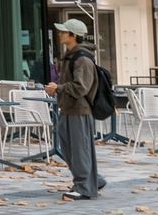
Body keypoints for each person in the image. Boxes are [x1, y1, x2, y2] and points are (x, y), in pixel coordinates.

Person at [46, 19, 106, 201]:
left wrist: (58, 88)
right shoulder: (71, 56)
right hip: (68, 108)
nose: (60, 34)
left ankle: (84, 187)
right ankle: (93, 180)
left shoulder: (82, 59)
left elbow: (81, 87)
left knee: (79, 149)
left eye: (63, 32)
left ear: (73, 35)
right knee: (69, 148)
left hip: (79, 110)